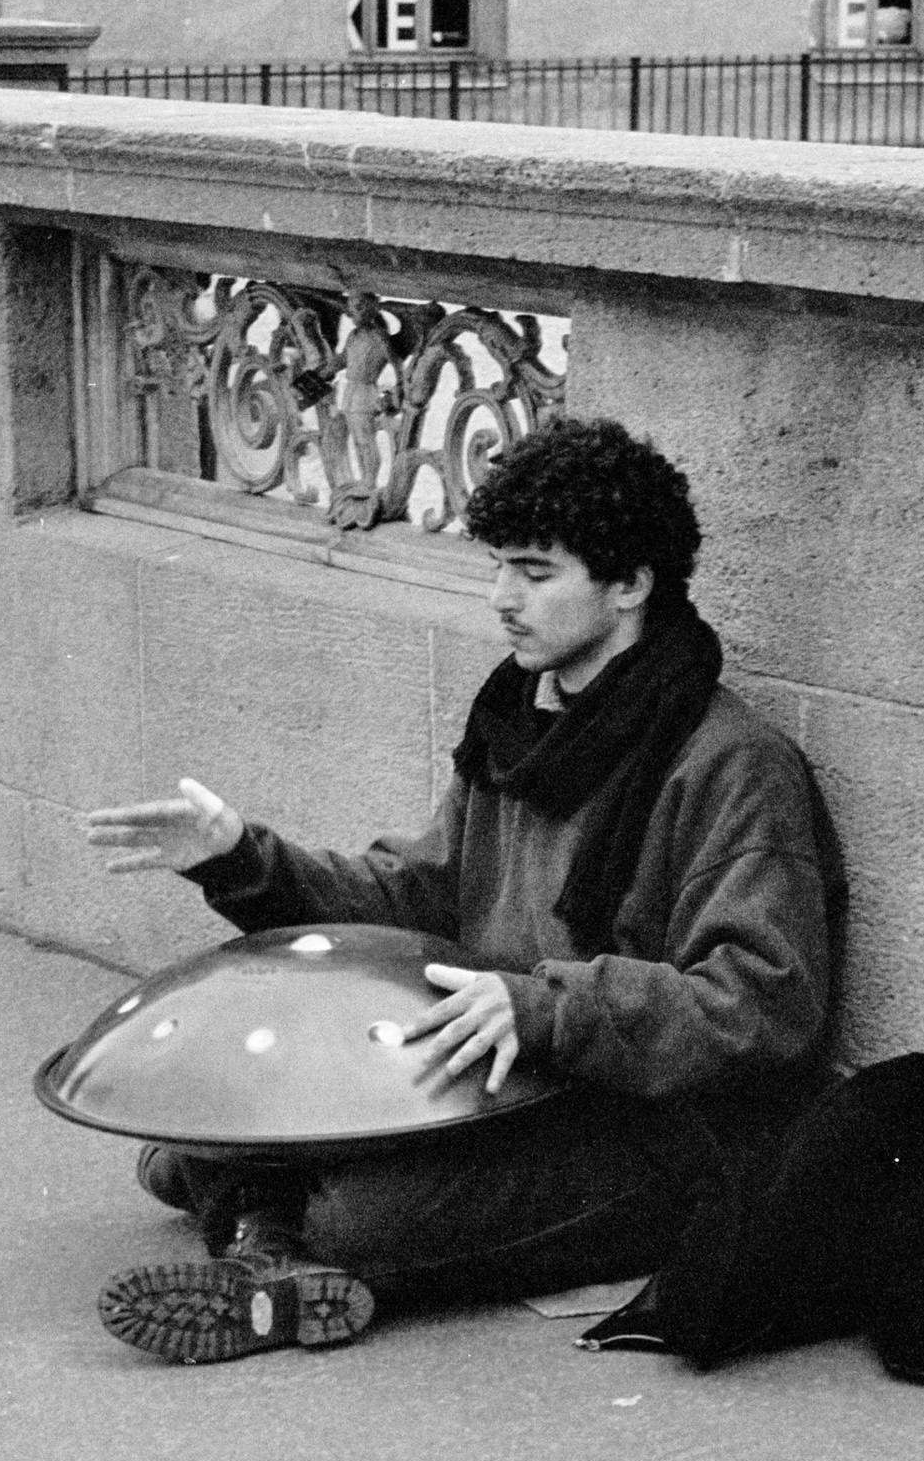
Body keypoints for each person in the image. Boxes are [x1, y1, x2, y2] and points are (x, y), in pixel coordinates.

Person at [80, 417, 841, 1365]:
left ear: (631, 584)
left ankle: (271, 1243)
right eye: (496, 568)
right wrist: (240, 857)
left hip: (647, 1123)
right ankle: (271, 1248)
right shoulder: (521, 721)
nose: (501, 598)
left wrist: (544, 1006)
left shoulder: (734, 764)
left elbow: (766, 1005)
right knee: (184, 1148)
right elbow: (415, 897)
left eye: (534, 571)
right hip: (504, 1076)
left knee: (357, 1220)